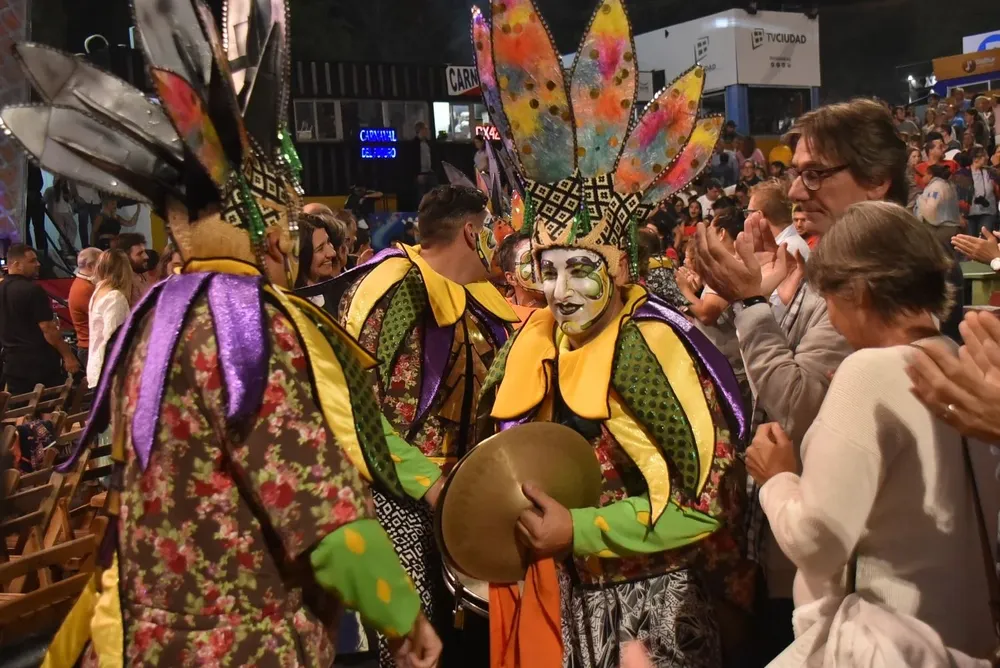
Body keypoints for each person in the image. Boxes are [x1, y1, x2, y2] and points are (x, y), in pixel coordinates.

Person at [3, 9, 442, 666]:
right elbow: (312, 502)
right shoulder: (247, 323)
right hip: (237, 645)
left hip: (143, 636)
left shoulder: (156, 315)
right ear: (269, 228)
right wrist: (400, 612)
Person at [470, 8, 751, 664]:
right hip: (572, 608)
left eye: (581, 269)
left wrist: (582, 529)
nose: (561, 291)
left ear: (620, 265)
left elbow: (708, 496)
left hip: (656, 614)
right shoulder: (536, 344)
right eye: (548, 270)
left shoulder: (647, 345)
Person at [695, 98, 913, 666]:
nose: (794, 192)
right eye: (794, 174)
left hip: (856, 590)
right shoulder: (818, 270)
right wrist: (743, 304)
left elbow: (797, 406)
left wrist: (749, 303)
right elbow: (750, 387)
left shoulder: (881, 287)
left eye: (815, 173)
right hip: (793, 561)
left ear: (876, 181)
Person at [747, 201, 995, 664]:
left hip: (890, 644)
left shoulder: (868, 370)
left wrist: (777, 477)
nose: (833, 319)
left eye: (830, 300)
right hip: (965, 640)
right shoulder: (958, 361)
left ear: (857, 291)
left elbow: (818, 543)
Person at [299, 184, 516, 668]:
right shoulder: (396, 287)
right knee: (417, 648)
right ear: (470, 232)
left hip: (456, 496)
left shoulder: (475, 293)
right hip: (402, 501)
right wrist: (431, 484)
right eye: (492, 231)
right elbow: (359, 408)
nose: (500, 242)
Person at [0, 244, 79, 393]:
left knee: (21, 411)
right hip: (39, 364)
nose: (38, 264)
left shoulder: (2, 287)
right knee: (48, 409)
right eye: (32, 261)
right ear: (17, 264)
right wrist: (68, 356)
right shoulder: (33, 290)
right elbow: (48, 329)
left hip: (12, 364)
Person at [85, 249, 133, 389]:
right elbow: (113, 339)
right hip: (109, 372)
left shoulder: (98, 292)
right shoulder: (115, 297)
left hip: (98, 366)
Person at [497, 231, 545, 328]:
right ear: (511, 278)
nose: (544, 264)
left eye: (542, 256)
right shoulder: (502, 319)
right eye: (531, 260)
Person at [293, 212, 345, 301]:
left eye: (328, 242)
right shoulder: (292, 305)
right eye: (320, 249)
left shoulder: (340, 292)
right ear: (301, 256)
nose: (332, 253)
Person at [68, 247, 101, 370]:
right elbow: (100, 318)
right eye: (102, 264)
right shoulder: (84, 288)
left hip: (92, 347)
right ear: (91, 266)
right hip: (90, 348)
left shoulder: (87, 285)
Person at [967, 145, 1000, 236]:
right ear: (975, 159)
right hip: (969, 214)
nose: (987, 157)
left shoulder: (991, 172)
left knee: (984, 237)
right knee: (970, 241)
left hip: (988, 211)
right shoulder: (963, 174)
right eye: (984, 155)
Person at [44, 177, 78, 250]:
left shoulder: (66, 190)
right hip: (58, 212)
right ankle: (66, 246)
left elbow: (70, 201)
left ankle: (68, 245)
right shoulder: (51, 190)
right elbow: (45, 200)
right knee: (64, 230)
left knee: (71, 228)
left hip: (66, 211)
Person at [115, 231, 150, 301]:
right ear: (125, 257)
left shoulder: (143, 276)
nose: (146, 256)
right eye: (140, 254)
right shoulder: (122, 283)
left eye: (144, 252)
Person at [413, 121, 440, 205]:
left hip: (431, 173)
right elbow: (412, 161)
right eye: (425, 129)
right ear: (420, 130)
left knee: (434, 196)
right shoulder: (414, 144)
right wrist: (417, 174)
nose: (427, 131)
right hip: (421, 174)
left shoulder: (429, 143)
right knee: (421, 197)